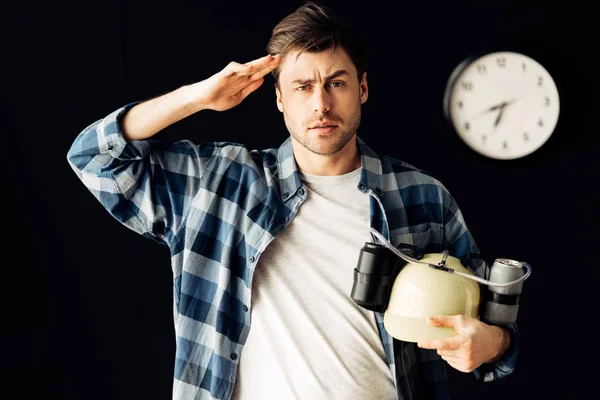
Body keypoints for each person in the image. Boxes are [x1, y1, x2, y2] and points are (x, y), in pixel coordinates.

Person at [67, 1, 517, 399]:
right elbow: (93, 156)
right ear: (279, 97)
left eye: (336, 83)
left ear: (362, 88)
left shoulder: (423, 197)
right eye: (302, 86)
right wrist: (196, 98)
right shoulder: (219, 183)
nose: (320, 104)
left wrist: (491, 344)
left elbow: (497, 327)